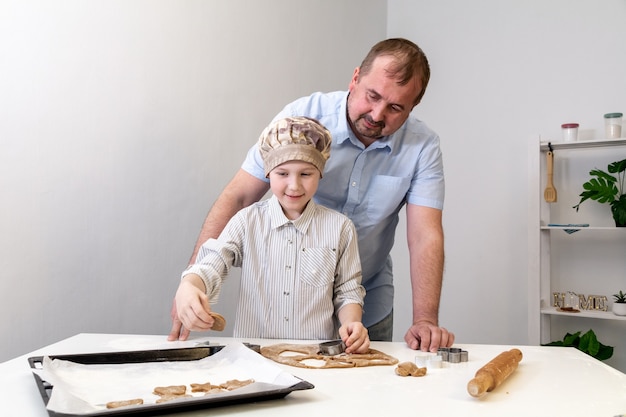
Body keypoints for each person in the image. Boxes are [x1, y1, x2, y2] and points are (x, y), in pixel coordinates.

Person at [169, 37, 455, 352]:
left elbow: (425, 235)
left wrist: (425, 319)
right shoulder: (301, 120)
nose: (376, 114)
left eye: (395, 107)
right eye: (372, 96)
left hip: (365, 303)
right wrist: (192, 284)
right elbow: (237, 200)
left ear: (412, 107)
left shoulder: (422, 146)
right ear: (355, 78)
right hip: (276, 318)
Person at [174, 116, 370, 354]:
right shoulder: (247, 221)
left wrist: (352, 323)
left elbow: (348, 289)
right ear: (268, 174)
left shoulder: (341, 228)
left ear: (320, 173)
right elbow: (214, 263)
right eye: (282, 174)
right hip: (253, 357)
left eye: (306, 174)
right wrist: (189, 285)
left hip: (315, 358)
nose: (294, 185)